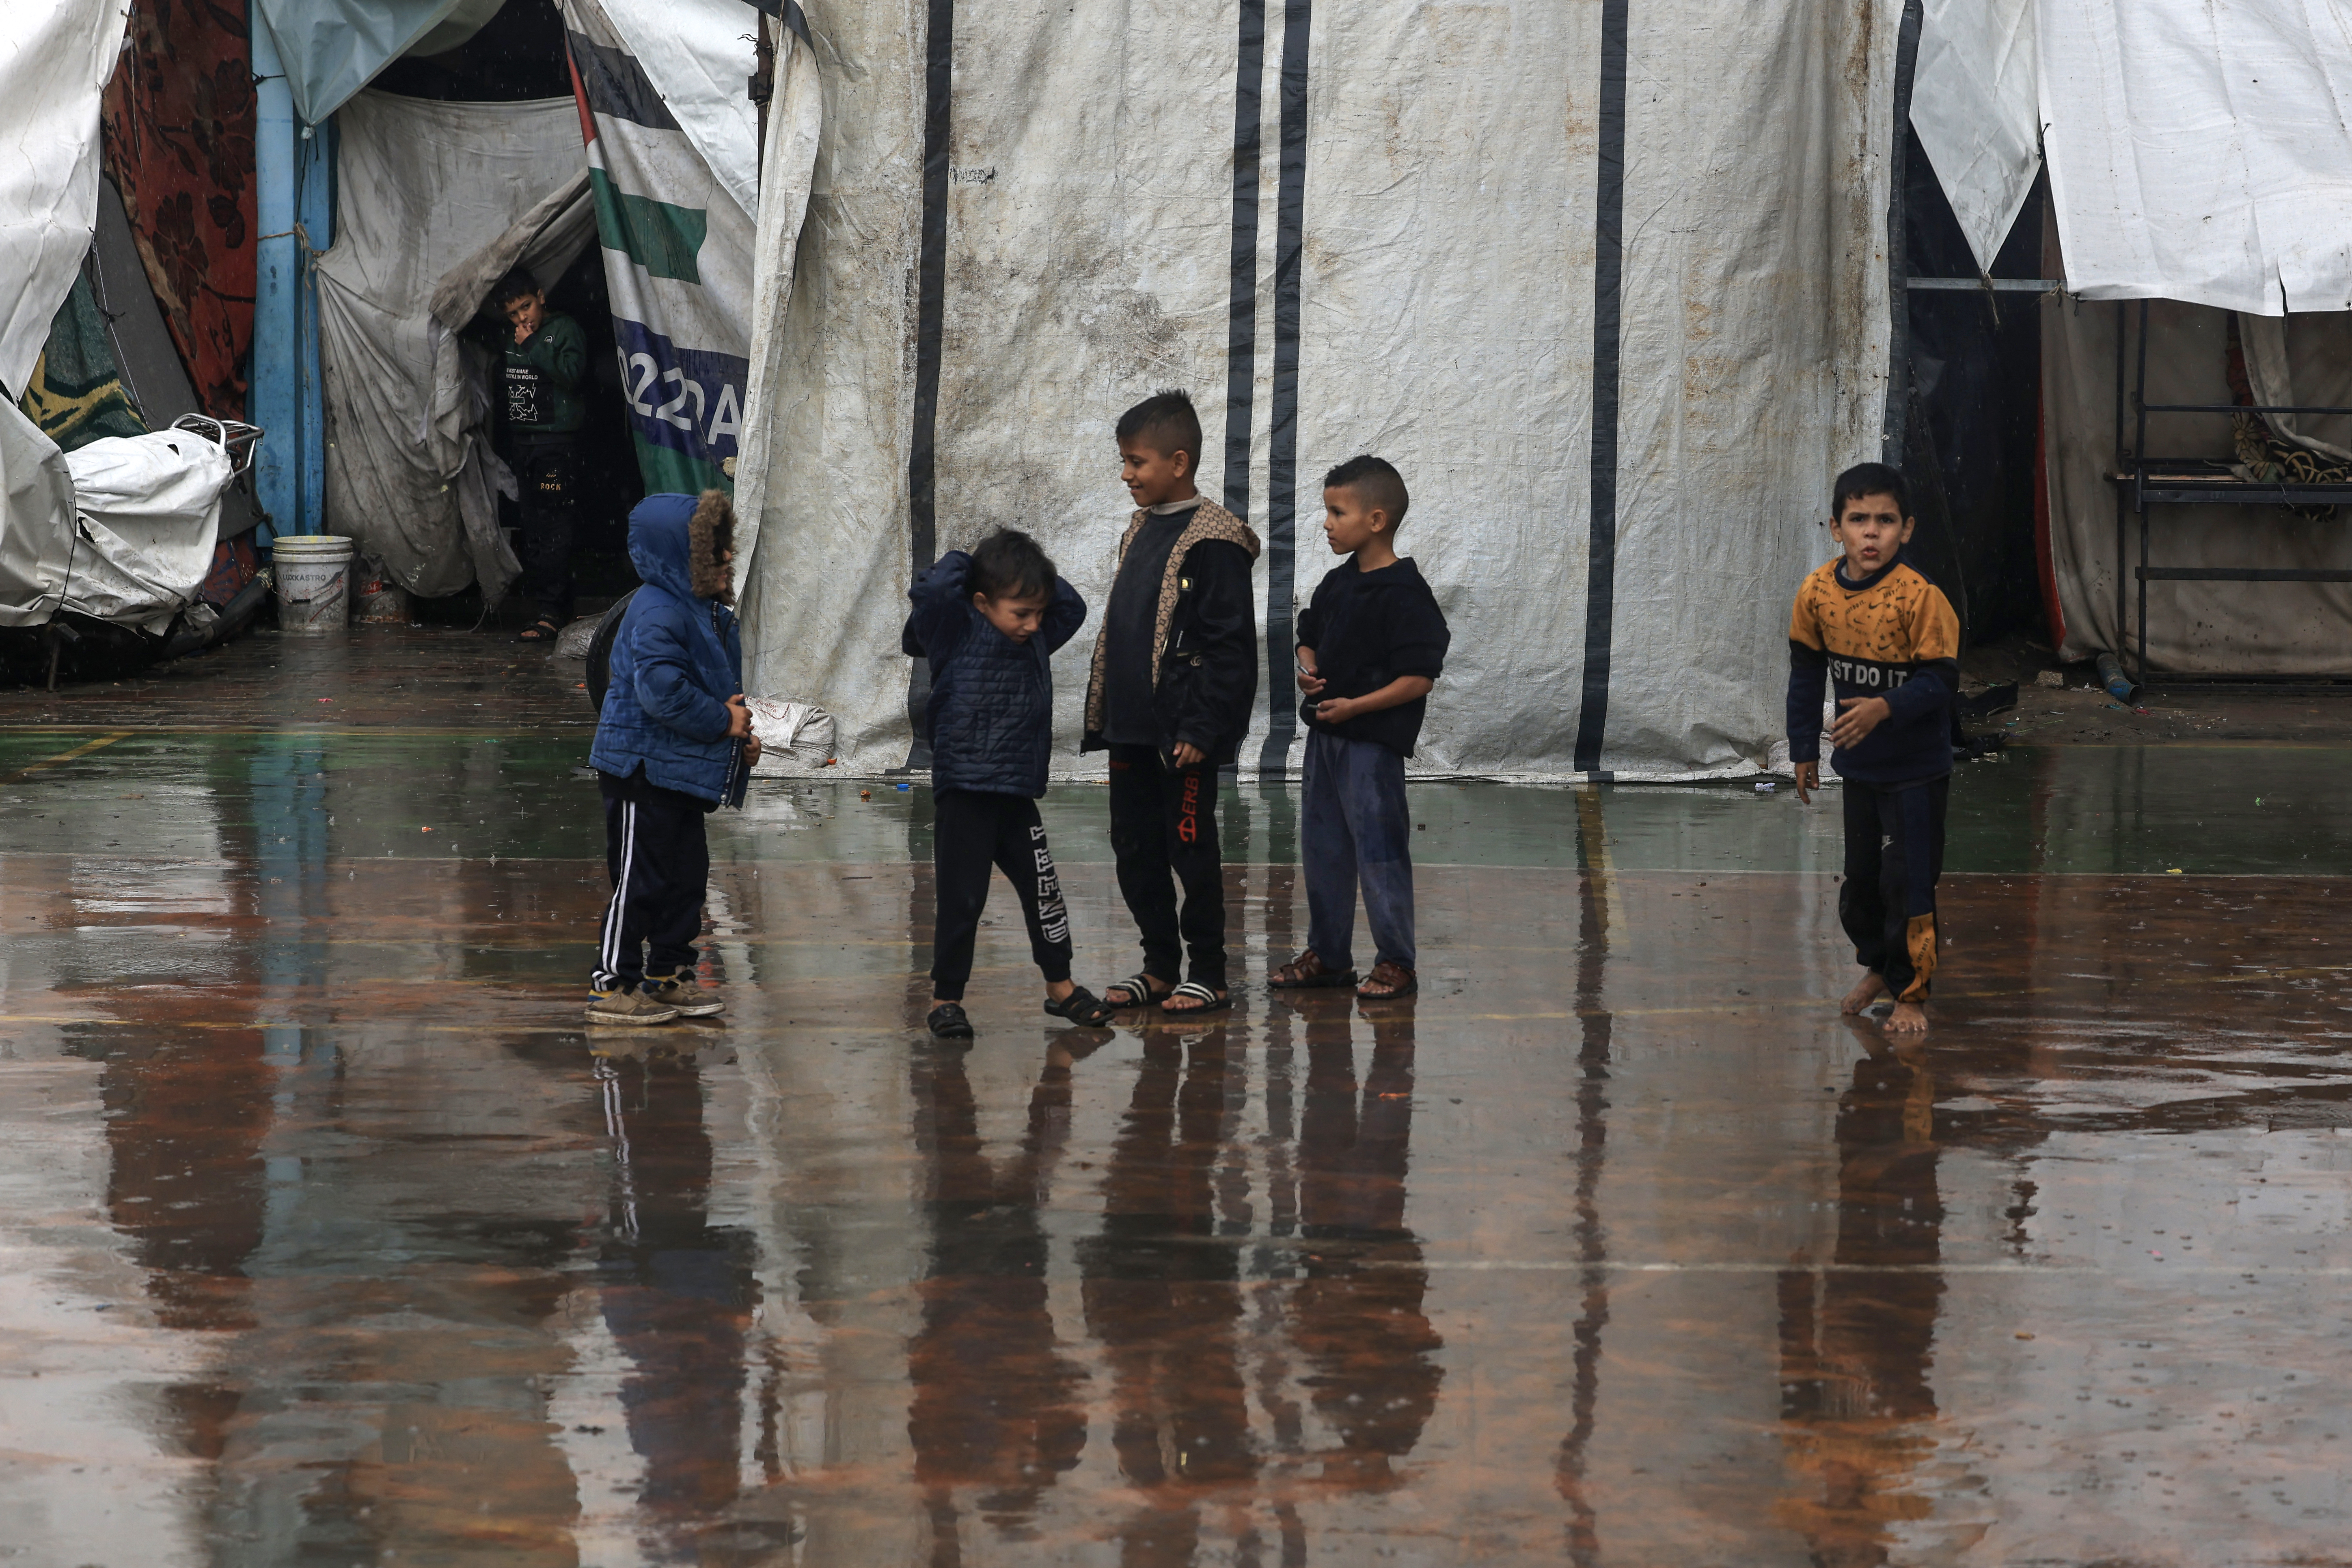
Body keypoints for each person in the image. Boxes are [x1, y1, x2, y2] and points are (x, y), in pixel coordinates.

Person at [1080, 389, 1261, 1017]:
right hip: (1132, 729)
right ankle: (1159, 966)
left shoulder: (1215, 541)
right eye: (1125, 462)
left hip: (1180, 735)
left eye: (1136, 462)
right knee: (1133, 846)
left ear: (1178, 462)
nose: (1126, 474)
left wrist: (1202, 725)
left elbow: (1230, 649)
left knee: (1189, 846)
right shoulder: (1141, 527)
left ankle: (1208, 970)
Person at [903, 528, 1117, 1039]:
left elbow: (1074, 605)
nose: (1033, 623)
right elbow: (932, 591)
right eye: (1020, 612)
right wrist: (969, 560)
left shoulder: (1039, 633)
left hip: (1016, 794)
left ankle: (1060, 986)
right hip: (966, 793)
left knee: (1045, 893)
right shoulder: (953, 629)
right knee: (963, 900)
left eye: (1036, 612)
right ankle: (946, 998)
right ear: (980, 601)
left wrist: (1029, 571)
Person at [1787, 462, 1959, 1034]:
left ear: (1905, 529)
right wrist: (1802, 749)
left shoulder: (1920, 599)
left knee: (1907, 883)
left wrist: (1885, 707)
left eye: (1884, 520)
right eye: (1857, 519)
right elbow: (1806, 673)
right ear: (1834, 527)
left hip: (1915, 771)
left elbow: (1939, 682)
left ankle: (1911, 991)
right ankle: (1879, 967)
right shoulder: (1815, 593)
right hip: (1859, 769)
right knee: (1859, 886)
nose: (1870, 532)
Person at [1268, 456, 1449, 1001]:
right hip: (1326, 741)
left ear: (1375, 520)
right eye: (1326, 510)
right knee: (1324, 847)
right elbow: (1309, 633)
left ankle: (1397, 960)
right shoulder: (1336, 584)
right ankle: (1329, 955)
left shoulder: (1404, 593)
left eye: (1336, 511)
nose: (1326, 522)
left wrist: (1356, 708)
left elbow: (1418, 678)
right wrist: (1307, 665)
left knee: (1380, 851)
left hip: (1370, 748)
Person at [585, 491, 754, 1026]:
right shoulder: (657, 608)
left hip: (676, 770)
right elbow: (662, 690)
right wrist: (722, 722)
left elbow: (712, 688)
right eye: (714, 550)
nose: (728, 558)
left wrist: (736, 737)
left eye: (725, 548)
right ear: (680, 557)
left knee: (685, 877)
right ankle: (612, 983)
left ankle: (669, 972)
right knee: (640, 879)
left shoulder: (702, 612)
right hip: (641, 771)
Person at [490, 270, 589, 643]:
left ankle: (553, 611)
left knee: (554, 525)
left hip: (556, 448)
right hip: (524, 446)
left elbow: (573, 375)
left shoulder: (563, 331)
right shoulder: (509, 337)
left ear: (542, 297)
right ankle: (547, 608)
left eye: (526, 307)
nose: (522, 319)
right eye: (514, 314)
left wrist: (533, 344)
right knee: (533, 528)